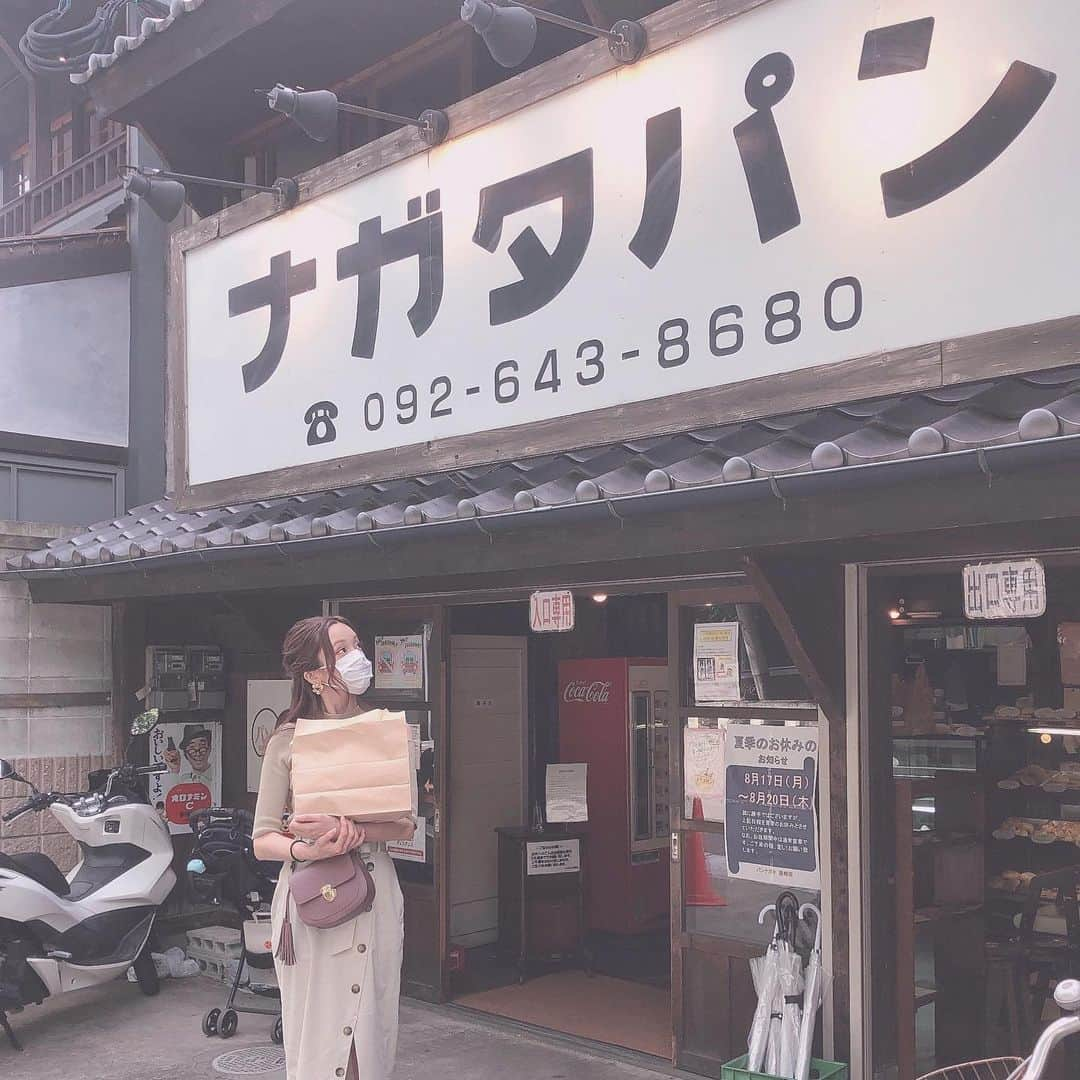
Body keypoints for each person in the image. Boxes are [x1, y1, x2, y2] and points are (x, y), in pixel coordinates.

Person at [252, 615, 416, 1080]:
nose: (357, 657)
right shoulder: (287, 740)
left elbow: (403, 824)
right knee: (321, 1033)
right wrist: (309, 849)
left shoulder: (386, 731)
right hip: (312, 895)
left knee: (371, 1025)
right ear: (314, 673)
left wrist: (350, 830)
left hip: (374, 890)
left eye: (356, 645)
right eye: (341, 650)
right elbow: (264, 839)